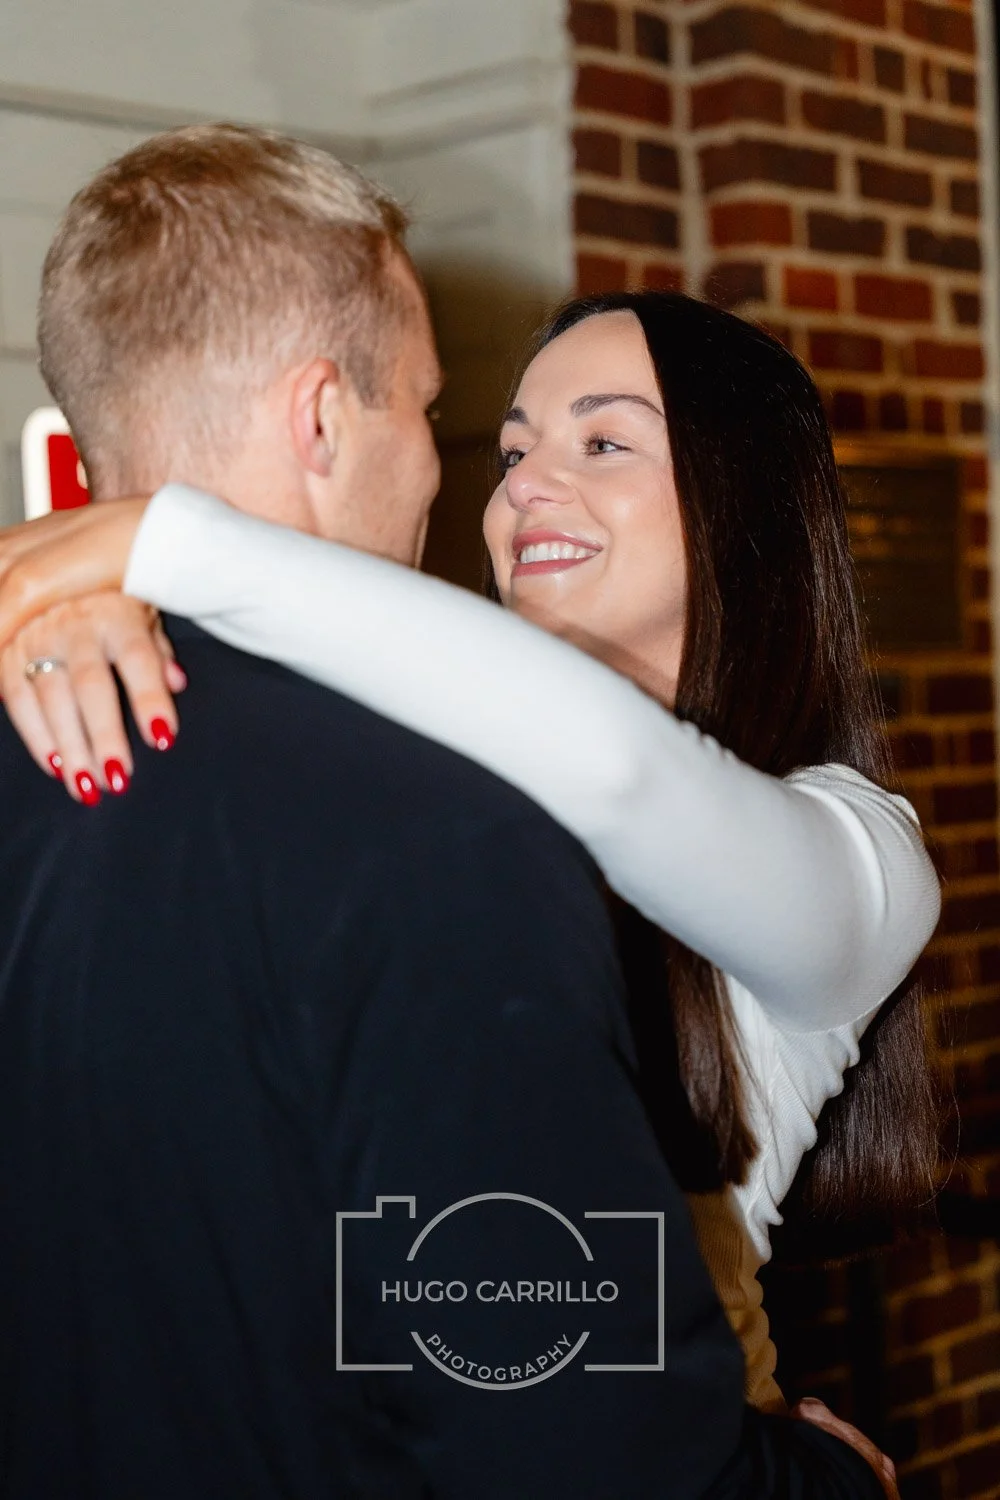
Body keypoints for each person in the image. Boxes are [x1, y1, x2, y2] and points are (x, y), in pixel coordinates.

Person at [0, 123, 900, 1497]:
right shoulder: (413, 797)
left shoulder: (857, 853)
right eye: (505, 434)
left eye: (607, 443)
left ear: (747, 512)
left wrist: (153, 534)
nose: (520, 479)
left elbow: (626, 777)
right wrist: (81, 599)